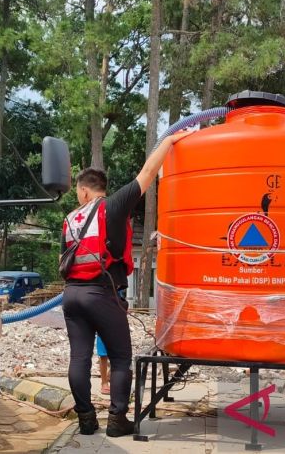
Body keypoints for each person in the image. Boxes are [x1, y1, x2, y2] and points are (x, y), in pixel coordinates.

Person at [61, 132, 190, 437]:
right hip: (102, 295)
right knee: (120, 358)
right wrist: (169, 142)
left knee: (79, 357)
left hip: (71, 296)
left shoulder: (69, 218)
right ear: (100, 190)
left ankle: (86, 420)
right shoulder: (113, 206)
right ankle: (117, 420)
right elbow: (146, 174)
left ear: (82, 191)